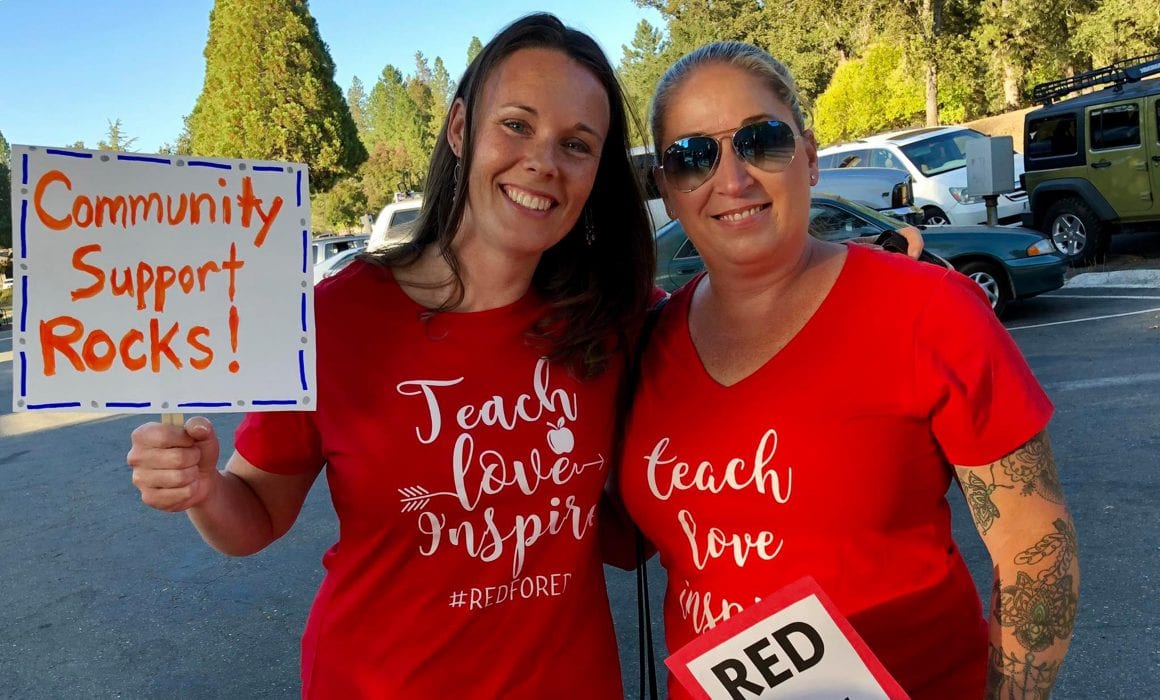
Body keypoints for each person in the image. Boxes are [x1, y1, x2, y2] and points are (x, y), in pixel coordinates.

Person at [126, 14, 655, 698]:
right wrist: (201, 487)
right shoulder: (335, 318)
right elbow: (254, 516)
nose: (543, 162)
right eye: (516, 125)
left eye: (576, 144)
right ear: (460, 128)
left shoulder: (614, 318)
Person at [617, 42, 1079, 699]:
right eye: (693, 157)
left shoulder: (928, 311)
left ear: (808, 157)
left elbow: (1036, 547)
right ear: (668, 189)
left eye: (762, 141)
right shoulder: (648, 343)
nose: (733, 179)